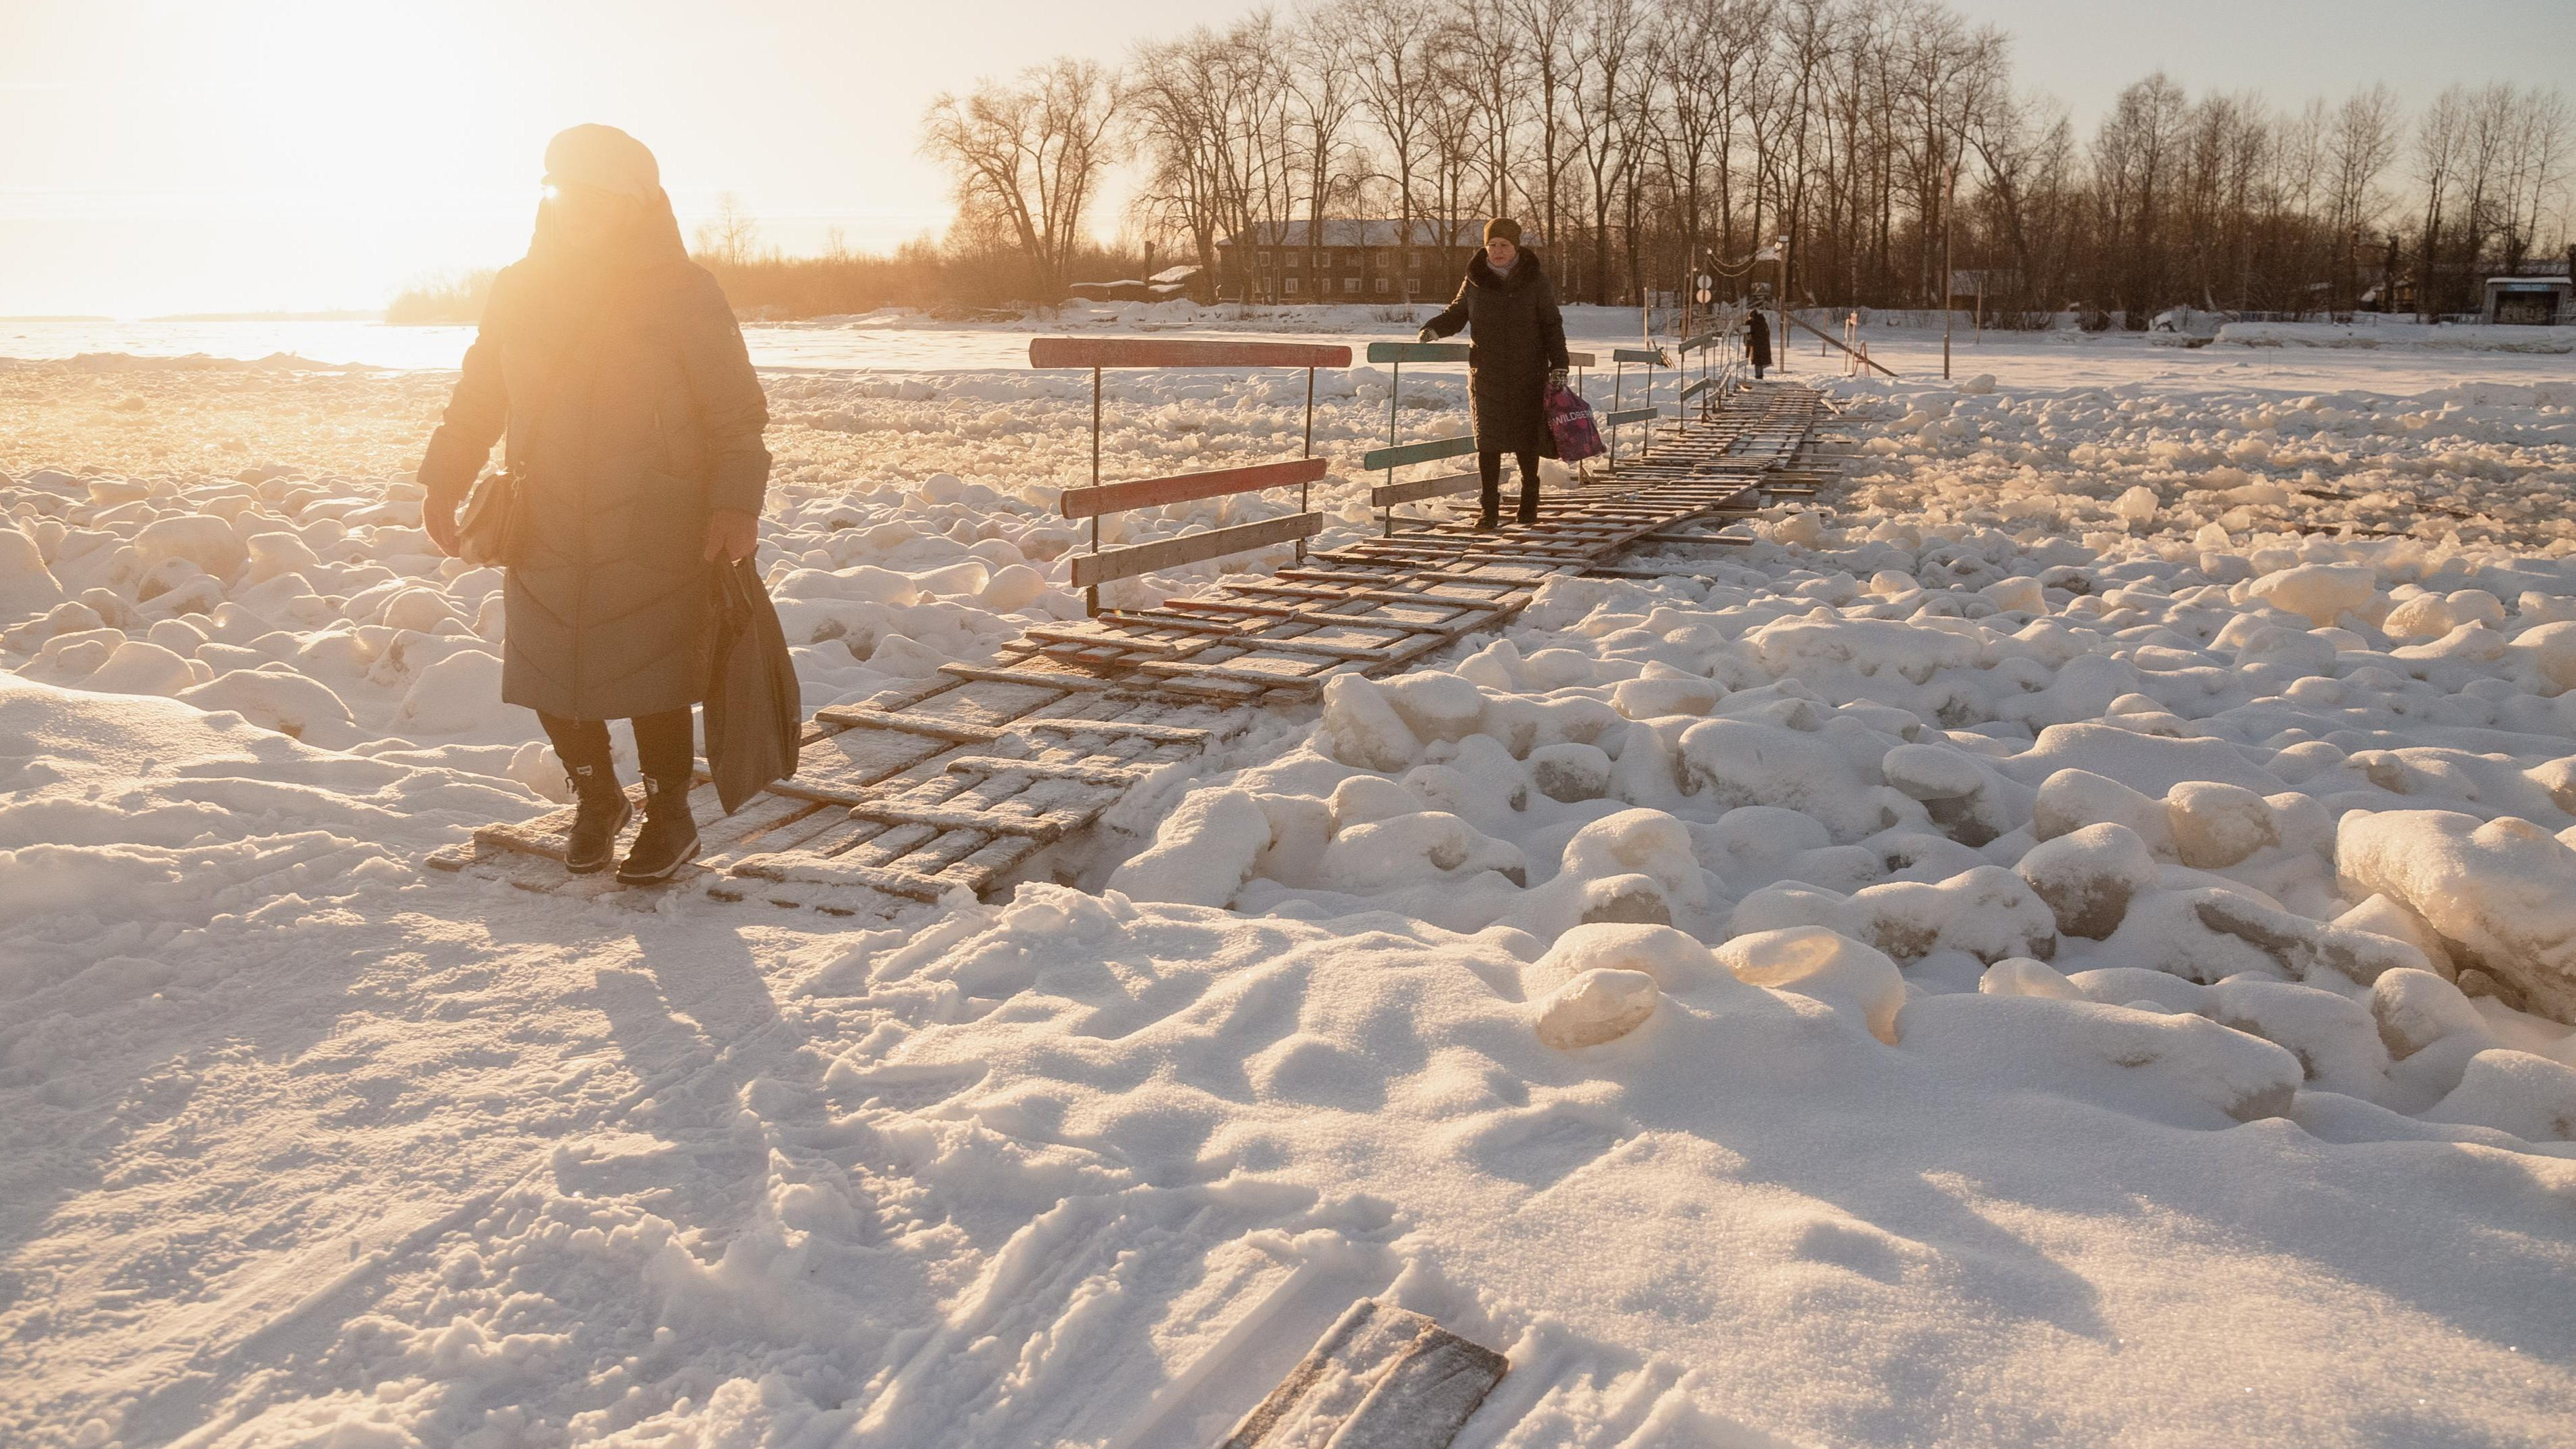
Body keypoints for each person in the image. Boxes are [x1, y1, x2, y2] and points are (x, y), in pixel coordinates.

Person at [420, 125, 770, 883]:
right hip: (543, 510)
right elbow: (481, 392)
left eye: (595, 196)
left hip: (654, 512)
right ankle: (597, 795)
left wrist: (735, 502)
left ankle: (671, 811)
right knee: (551, 666)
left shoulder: (683, 289)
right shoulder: (519, 285)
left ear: (635, 204)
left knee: (652, 671)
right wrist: (444, 476)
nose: (576, 208)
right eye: (563, 191)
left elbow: (736, 411)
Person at [1417, 218, 1570, 529]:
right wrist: (1434, 328)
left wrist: (1560, 364)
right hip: (1486, 372)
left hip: (1528, 370)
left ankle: (1529, 502)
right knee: (1488, 441)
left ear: (1516, 248)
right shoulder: (1474, 278)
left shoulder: (1535, 280)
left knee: (1527, 439)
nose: (1497, 251)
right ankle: (1489, 510)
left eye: (1504, 245)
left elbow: (1551, 323)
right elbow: (1457, 314)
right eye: (1492, 245)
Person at [1746, 306, 1772, 380]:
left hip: (1757, 345)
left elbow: (1750, 333)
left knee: (1757, 361)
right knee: (1760, 361)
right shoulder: (1763, 322)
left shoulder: (1754, 323)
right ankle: (1760, 375)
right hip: (1764, 345)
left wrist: (1747, 324)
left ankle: (1758, 376)